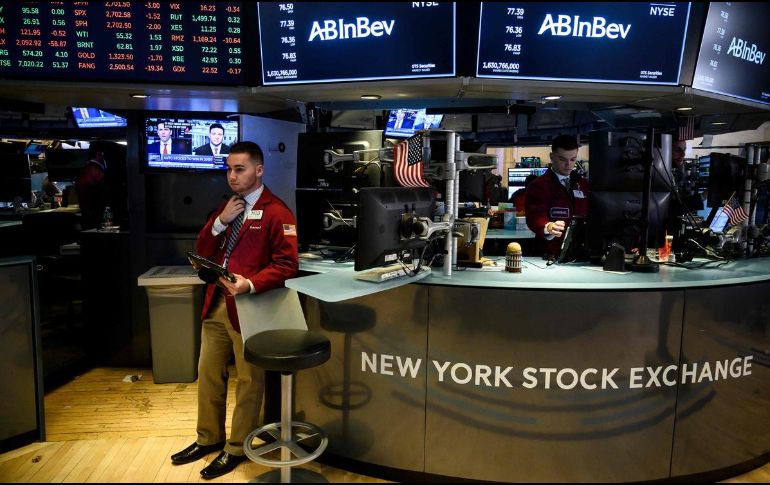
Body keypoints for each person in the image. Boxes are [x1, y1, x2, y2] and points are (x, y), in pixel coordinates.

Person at [170, 141, 299, 479]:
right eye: (228, 169)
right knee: (209, 374)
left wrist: (251, 283)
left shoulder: (277, 212)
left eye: (239, 169)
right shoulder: (227, 207)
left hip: (249, 308)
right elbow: (203, 248)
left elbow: (287, 265)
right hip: (215, 304)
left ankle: (237, 446)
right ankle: (208, 438)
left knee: (248, 380)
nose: (232, 176)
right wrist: (218, 223)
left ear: (259, 170)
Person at [525, 134, 589, 258]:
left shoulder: (583, 184)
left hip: (579, 254)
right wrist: (548, 226)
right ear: (552, 157)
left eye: (573, 159)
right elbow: (534, 217)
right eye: (562, 159)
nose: (568, 165)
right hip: (549, 254)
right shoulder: (538, 186)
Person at [74, 142, 109, 229]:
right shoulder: (96, 171)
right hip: (95, 217)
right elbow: (105, 192)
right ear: (98, 154)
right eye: (103, 154)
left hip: (87, 216)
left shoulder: (85, 169)